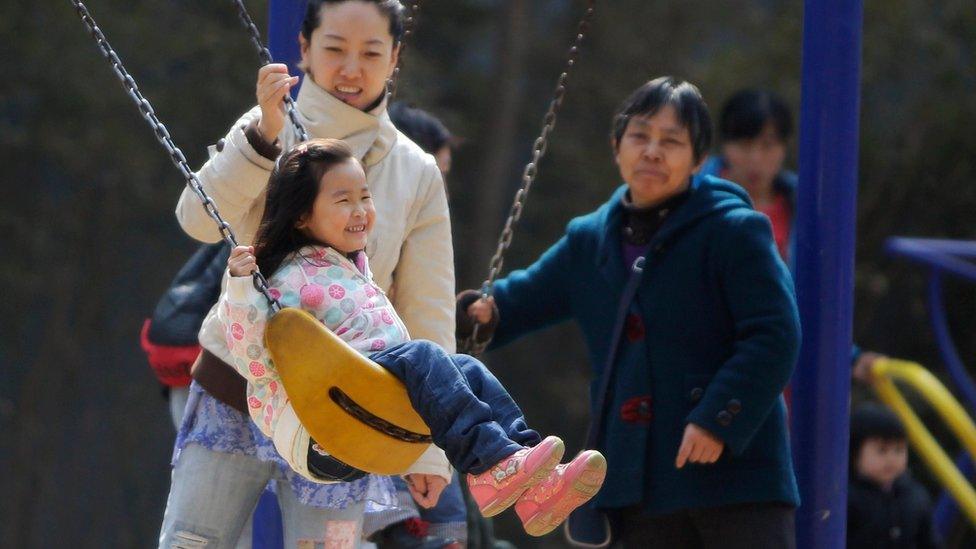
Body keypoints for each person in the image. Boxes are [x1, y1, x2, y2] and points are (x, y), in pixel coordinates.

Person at [158, 2, 456, 547]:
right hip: (237, 386)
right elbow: (196, 219)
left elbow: (428, 312)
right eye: (335, 48)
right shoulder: (267, 123)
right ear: (303, 49)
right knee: (192, 541)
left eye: (370, 53)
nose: (351, 69)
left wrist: (428, 445)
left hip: (343, 409)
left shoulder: (415, 170)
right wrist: (263, 135)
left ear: (396, 57)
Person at [460, 77, 801, 547]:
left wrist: (717, 417)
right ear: (617, 145)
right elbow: (519, 302)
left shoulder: (735, 230)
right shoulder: (590, 239)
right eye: (640, 136)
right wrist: (480, 315)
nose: (653, 152)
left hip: (735, 477)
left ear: (699, 160)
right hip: (636, 480)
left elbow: (776, 334)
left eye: (672, 141)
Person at [220, 137, 607, 539]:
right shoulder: (286, 277)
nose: (361, 211)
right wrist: (243, 288)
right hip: (326, 425)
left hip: (373, 408)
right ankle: (495, 464)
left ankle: (531, 476)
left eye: (365, 197)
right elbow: (254, 360)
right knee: (423, 355)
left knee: (467, 368)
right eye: (343, 201)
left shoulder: (349, 267)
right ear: (301, 216)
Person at [700, 88, 883, 382]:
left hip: (780, 379)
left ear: (785, 147)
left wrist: (850, 358)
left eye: (768, 145)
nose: (755, 158)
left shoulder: (808, 209)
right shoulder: (692, 202)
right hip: (708, 373)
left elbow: (810, 298)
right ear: (725, 145)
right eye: (744, 144)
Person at [848, 403, 941, 549]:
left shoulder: (915, 496)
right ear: (855, 453)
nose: (891, 459)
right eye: (882, 450)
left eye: (899, 450)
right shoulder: (846, 499)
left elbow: (929, 542)